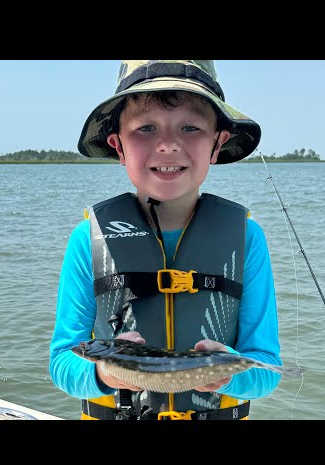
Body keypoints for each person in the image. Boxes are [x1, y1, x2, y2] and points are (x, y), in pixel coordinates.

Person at [49, 60, 282, 420]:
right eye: (146, 128)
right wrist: (104, 372)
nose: (168, 145)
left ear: (218, 143)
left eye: (190, 127)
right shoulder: (87, 240)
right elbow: (62, 362)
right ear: (118, 145)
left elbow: (266, 367)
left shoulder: (247, 238)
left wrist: (227, 375)